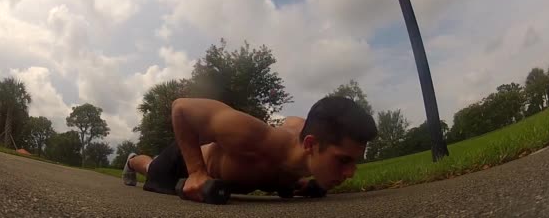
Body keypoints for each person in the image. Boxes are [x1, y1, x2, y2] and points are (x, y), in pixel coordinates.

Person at [122, 96, 377, 203]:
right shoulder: (252, 137)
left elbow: (293, 122)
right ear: (310, 145)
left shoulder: (303, 143)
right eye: (343, 161)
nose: (350, 173)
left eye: (354, 162)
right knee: (152, 168)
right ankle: (133, 160)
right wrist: (197, 172)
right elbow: (181, 108)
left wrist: (292, 182)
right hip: (189, 159)